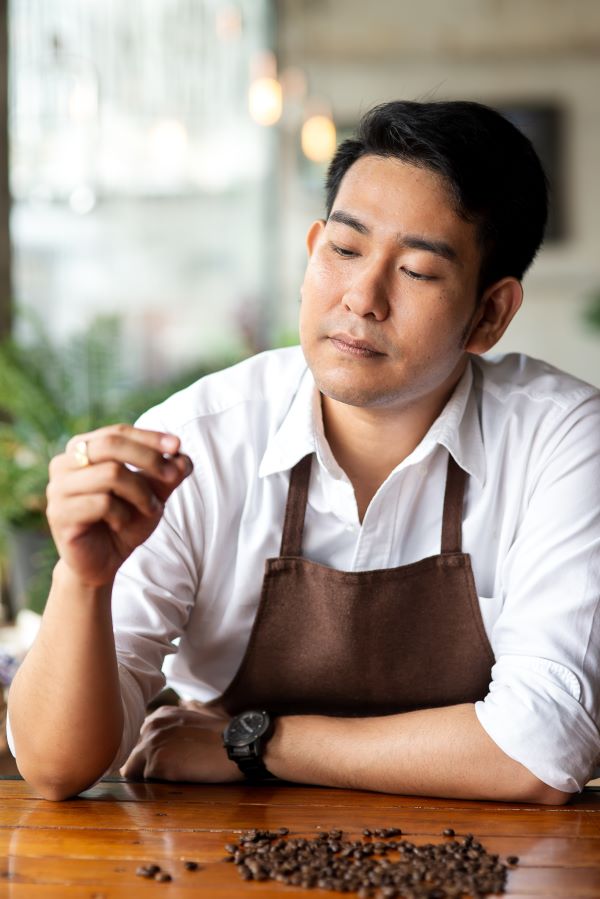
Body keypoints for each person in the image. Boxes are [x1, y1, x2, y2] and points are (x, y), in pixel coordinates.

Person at [7, 100, 600, 803]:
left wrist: (253, 743)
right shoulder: (202, 440)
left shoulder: (560, 440)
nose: (362, 297)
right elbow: (55, 767)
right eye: (344, 251)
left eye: (415, 270)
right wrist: (82, 579)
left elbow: (542, 747)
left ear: (490, 315)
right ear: (312, 248)